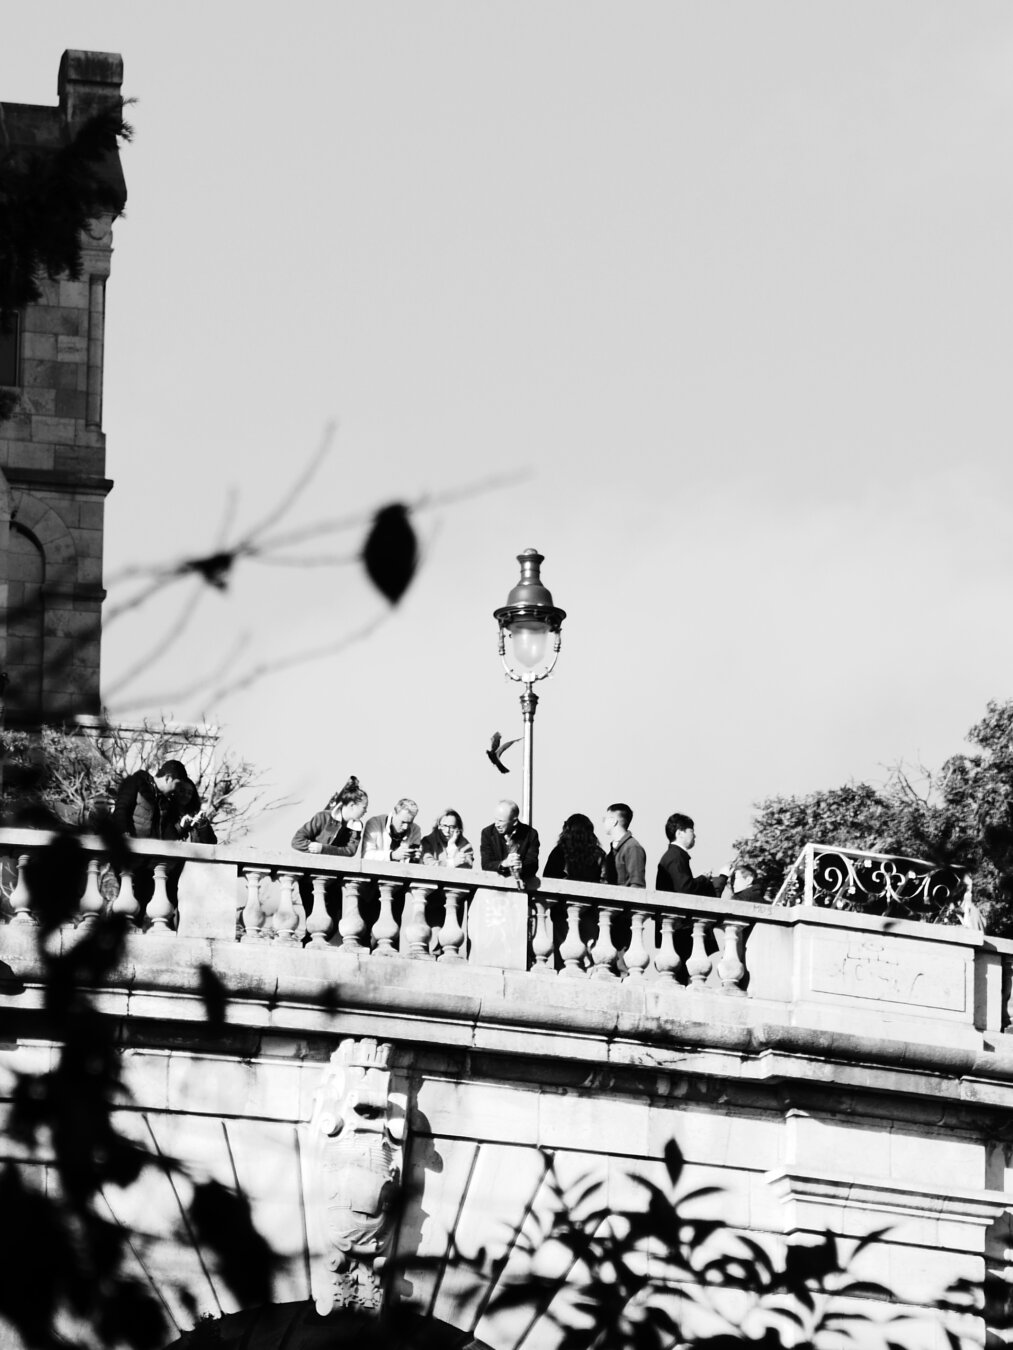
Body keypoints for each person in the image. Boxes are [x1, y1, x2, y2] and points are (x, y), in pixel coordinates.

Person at [112, 759, 191, 840]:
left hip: (152, 849)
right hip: (131, 847)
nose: (177, 791)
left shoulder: (165, 802)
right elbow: (120, 810)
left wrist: (182, 830)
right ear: (168, 778)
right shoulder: (136, 782)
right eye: (177, 785)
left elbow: (168, 834)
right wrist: (124, 835)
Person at [291, 777, 369, 856]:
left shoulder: (357, 827)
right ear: (352, 805)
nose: (365, 811)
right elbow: (297, 841)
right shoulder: (323, 817)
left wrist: (324, 849)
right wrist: (313, 849)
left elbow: (350, 851)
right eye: (364, 808)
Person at [656, 813, 724, 896]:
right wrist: (703, 878)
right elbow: (685, 889)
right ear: (679, 833)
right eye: (691, 831)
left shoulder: (673, 855)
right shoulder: (675, 857)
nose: (694, 835)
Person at [480, 799, 540, 883]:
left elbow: (533, 864)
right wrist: (504, 864)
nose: (497, 824)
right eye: (495, 819)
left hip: (522, 886)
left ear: (514, 821)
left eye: (501, 821)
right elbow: (486, 864)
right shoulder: (488, 833)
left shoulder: (530, 834)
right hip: (494, 885)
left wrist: (521, 866)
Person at [543, 814, 605, 883]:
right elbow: (605, 880)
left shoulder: (559, 852)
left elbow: (548, 880)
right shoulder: (599, 853)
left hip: (563, 892)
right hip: (592, 892)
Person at [601, 802, 646, 887]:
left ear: (613, 821)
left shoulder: (633, 847)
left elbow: (637, 884)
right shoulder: (613, 851)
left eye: (605, 819)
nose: (603, 822)